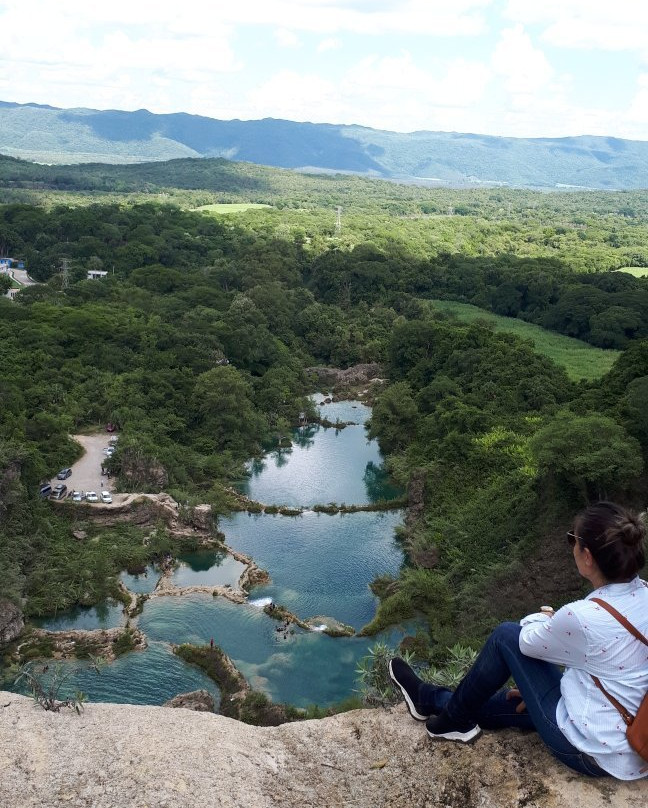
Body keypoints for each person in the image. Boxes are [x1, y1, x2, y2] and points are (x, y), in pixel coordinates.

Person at [389, 501, 648, 780]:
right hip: (633, 740)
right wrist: (536, 690)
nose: (570, 545)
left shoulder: (582, 617)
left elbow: (525, 642)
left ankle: (451, 721)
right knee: (504, 705)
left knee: (505, 636)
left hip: (592, 752)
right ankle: (429, 700)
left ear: (587, 557)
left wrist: (546, 618)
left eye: (572, 539)